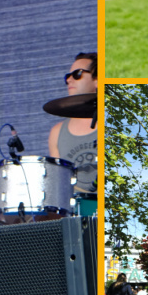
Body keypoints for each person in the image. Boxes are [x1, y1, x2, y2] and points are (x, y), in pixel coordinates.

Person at [48, 52, 97, 194]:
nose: (69, 80)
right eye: (67, 76)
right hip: (75, 212)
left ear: (98, 80)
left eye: (77, 74)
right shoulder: (57, 132)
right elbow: (56, 183)